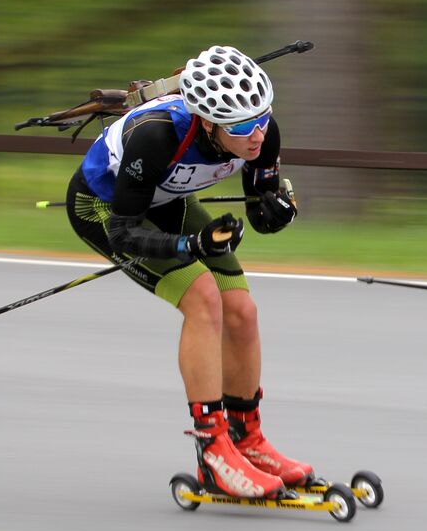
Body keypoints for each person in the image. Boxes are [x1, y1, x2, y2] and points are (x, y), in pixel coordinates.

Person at [65, 45, 310, 499]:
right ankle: (213, 451)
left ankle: (247, 440)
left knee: (242, 311)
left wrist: (278, 211)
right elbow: (124, 231)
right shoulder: (155, 136)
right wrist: (190, 246)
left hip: (167, 198)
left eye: (262, 117)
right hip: (107, 209)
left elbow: (261, 216)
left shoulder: (262, 134)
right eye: (241, 127)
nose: (256, 135)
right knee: (203, 298)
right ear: (208, 123)